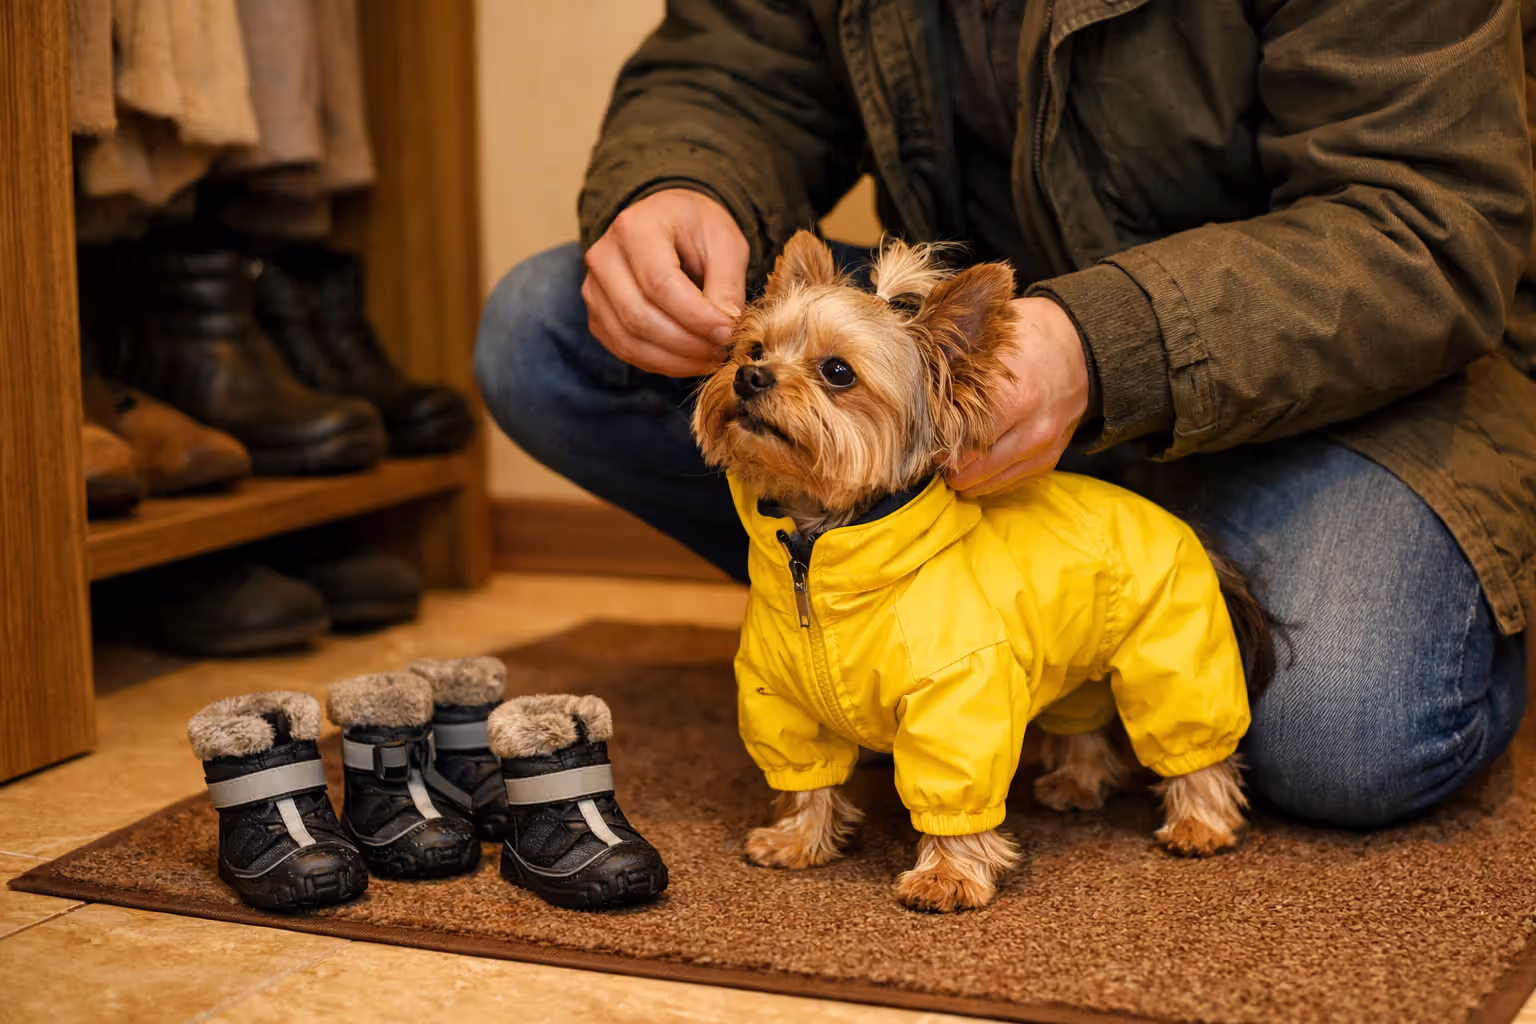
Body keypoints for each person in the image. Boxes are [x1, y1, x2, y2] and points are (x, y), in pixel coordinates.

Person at [474, 0, 1536, 828]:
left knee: (1344, 735)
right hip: (968, 361)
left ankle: (1059, 602)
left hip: (1338, 367)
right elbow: (732, 67)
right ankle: (908, 610)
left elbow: (1425, 219)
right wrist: (679, 181)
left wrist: (1107, 346)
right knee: (547, 330)